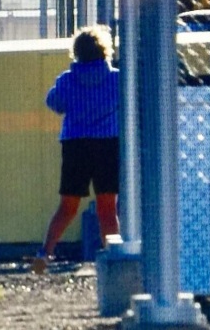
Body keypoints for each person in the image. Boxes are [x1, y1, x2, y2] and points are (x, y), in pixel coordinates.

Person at [32, 24, 120, 274]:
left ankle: (45, 253)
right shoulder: (116, 79)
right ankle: (112, 256)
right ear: (105, 50)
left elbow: (54, 103)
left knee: (67, 206)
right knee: (107, 208)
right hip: (107, 144)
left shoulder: (67, 80)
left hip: (75, 145)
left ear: (77, 52)